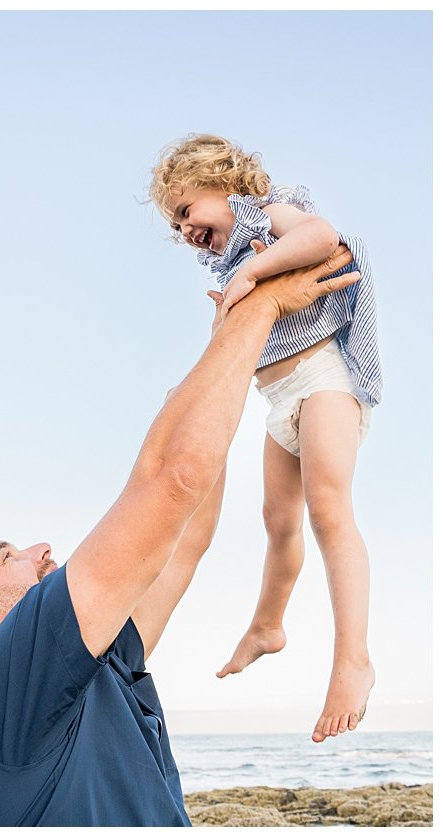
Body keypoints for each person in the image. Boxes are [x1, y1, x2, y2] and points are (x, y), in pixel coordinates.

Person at [0, 247, 359, 826]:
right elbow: (173, 481)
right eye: (6, 556)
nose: (41, 549)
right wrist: (262, 307)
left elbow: (186, 533)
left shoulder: (87, 671)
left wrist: (225, 346)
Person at [151, 134, 379, 741]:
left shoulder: (271, 213)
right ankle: (267, 624)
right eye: (175, 225)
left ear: (224, 185)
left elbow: (322, 237)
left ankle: (352, 659)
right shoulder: (224, 264)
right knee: (278, 520)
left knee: (331, 510)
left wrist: (253, 267)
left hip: (324, 379)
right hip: (279, 401)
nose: (184, 230)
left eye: (186, 212)